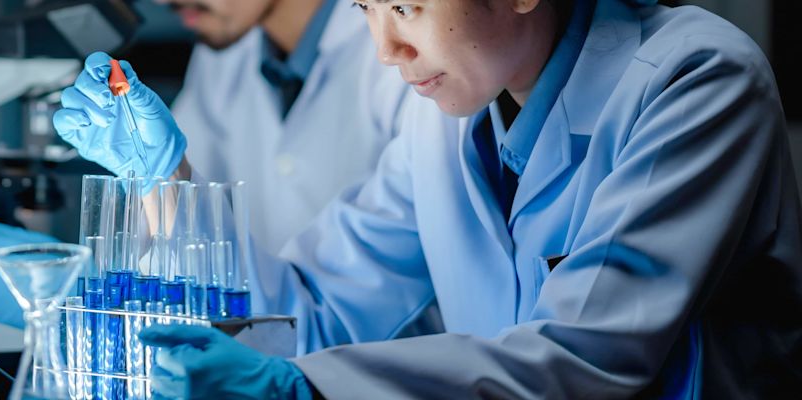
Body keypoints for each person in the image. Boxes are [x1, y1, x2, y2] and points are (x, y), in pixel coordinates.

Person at [59, 0, 802, 397]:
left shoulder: (694, 80)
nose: (385, 50)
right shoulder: (443, 123)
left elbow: (585, 359)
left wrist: (304, 392)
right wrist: (166, 184)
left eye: (407, 8)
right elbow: (315, 306)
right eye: (363, 9)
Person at [0, 0, 410, 330]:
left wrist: (83, 298)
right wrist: (90, 286)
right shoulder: (225, 58)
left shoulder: (411, 59)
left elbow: (336, 316)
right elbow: (172, 243)